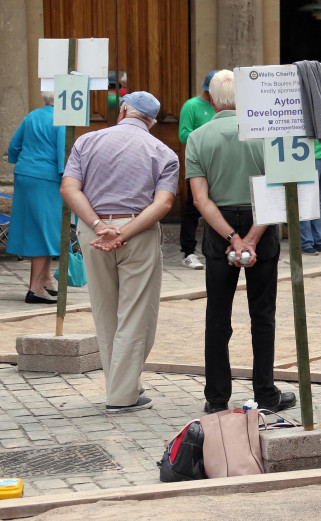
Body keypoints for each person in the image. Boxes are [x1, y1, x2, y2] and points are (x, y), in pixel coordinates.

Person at [186, 70, 296, 414]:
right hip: (259, 219)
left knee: (217, 316)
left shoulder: (199, 137)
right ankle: (265, 391)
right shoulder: (266, 136)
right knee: (263, 314)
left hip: (220, 226)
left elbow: (201, 201)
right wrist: (250, 238)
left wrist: (232, 239)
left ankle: (216, 397)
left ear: (213, 99)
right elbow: (277, 189)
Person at [60, 92, 177, 413]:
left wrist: (99, 226)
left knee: (105, 312)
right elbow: (164, 203)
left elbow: (69, 188)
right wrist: (123, 232)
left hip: (92, 230)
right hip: (137, 232)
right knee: (136, 316)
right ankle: (121, 396)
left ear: (124, 111)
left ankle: (123, 385)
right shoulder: (163, 151)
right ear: (152, 122)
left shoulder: (86, 142)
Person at [6, 91, 66, 304]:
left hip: (25, 173)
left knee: (37, 227)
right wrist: (67, 178)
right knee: (46, 230)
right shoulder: (61, 120)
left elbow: (13, 147)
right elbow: (62, 155)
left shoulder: (31, 116)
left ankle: (46, 280)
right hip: (47, 177)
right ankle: (35, 288)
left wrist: (24, 161)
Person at [177, 70, 218, 270]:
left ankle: (216, 248)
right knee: (193, 209)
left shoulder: (219, 106)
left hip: (219, 165)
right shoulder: (192, 106)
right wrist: (210, 135)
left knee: (219, 207)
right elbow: (184, 135)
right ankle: (188, 252)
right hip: (199, 166)